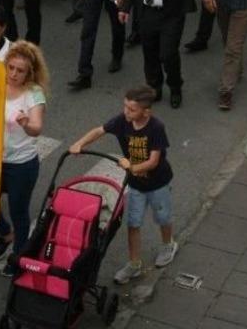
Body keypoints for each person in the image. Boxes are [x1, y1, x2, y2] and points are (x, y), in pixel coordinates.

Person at [69, 85, 177, 285]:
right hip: (136, 185)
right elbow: (99, 131)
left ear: (146, 112)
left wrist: (131, 166)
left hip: (158, 184)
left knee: (163, 217)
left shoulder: (156, 128)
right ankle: (134, 264)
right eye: (125, 106)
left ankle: (168, 244)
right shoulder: (122, 121)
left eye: (132, 109)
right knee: (133, 224)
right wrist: (80, 143)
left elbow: (153, 161)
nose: (126, 112)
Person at [0, 41, 48, 275]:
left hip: (21, 165)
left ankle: (19, 257)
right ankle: (6, 234)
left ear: (29, 73)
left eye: (20, 70)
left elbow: (37, 127)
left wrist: (26, 124)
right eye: (11, 67)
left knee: (19, 212)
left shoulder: (34, 94)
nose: (13, 74)